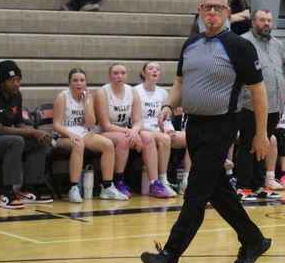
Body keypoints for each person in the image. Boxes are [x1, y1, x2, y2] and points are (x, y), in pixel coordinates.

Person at [139, 0, 271, 263]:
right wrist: (167, 105)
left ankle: (169, 257)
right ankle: (253, 240)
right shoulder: (190, 44)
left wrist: (260, 134)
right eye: (208, 7)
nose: (213, 12)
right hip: (193, 125)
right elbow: (179, 82)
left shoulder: (239, 47)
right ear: (200, 10)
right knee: (216, 189)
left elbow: (258, 91)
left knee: (196, 191)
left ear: (227, 13)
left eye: (219, 8)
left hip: (222, 126)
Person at [236, 9, 285, 204]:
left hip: (274, 104)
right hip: (250, 103)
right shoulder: (244, 42)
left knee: (264, 144)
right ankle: (242, 186)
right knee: (249, 144)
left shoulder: (278, 44)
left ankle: (258, 185)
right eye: (262, 20)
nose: (266, 24)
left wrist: (279, 85)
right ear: (253, 22)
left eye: (269, 20)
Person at [94, 63, 170, 198]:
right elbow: (106, 125)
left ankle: (154, 183)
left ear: (126, 76)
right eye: (116, 73)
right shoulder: (103, 92)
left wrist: (134, 131)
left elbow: (138, 121)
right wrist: (130, 132)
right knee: (123, 139)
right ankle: (118, 180)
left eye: (123, 73)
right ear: (109, 76)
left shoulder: (132, 91)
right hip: (103, 132)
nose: (119, 76)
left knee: (147, 136)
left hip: (125, 131)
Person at [52, 68, 128, 202]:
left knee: (107, 144)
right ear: (69, 83)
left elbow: (91, 124)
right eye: (75, 80)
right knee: (78, 144)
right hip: (62, 134)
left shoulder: (88, 97)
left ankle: (107, 187)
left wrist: (87, 103)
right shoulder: (62, 97)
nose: (79, 83)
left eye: (82, 80)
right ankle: (74, 189)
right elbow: (56, 124)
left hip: (82, 132)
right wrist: (70, 134)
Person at [0, 60, 53, 209]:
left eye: (18, 80)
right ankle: (7, 193)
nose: (16, 84)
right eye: (11, 80)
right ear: (2, 82)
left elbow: (19, 125)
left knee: (39, 141)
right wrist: (32, 131)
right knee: (16, 141)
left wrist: (37, 134)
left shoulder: (16, 96)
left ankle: (27, 190)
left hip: (3, 140)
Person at [136, 61, 193, 197]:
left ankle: (186, 180)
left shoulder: (162, 93)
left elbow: (166, 116)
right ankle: (163, 180)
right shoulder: (136, 91)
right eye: (151, 69)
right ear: (143, 73)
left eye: (157, 69)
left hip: (160, 130)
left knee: (191, 137)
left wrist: (169, 128)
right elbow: (136, 119)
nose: (155, 71)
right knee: (164, 138)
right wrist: (162, 132)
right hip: (144, 131)